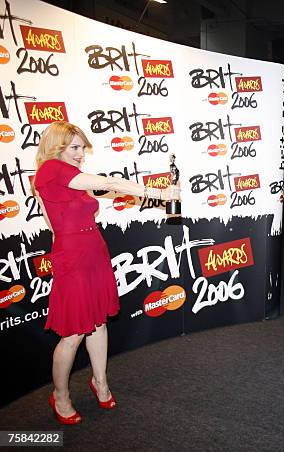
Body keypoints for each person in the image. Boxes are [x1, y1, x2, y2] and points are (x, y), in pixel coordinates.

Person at [33, 121, 179, 425]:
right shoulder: (50, 170)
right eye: (74, 147)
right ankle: (60, 395)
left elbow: (53, 220)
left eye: (81, 148)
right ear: (56, 147)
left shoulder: (67, 178)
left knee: (98, 322)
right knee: (73, 334)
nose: (80, 154)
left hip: (93, 252)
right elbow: (111, 184)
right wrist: (159, 192)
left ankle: (100, 382)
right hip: (73, 257)